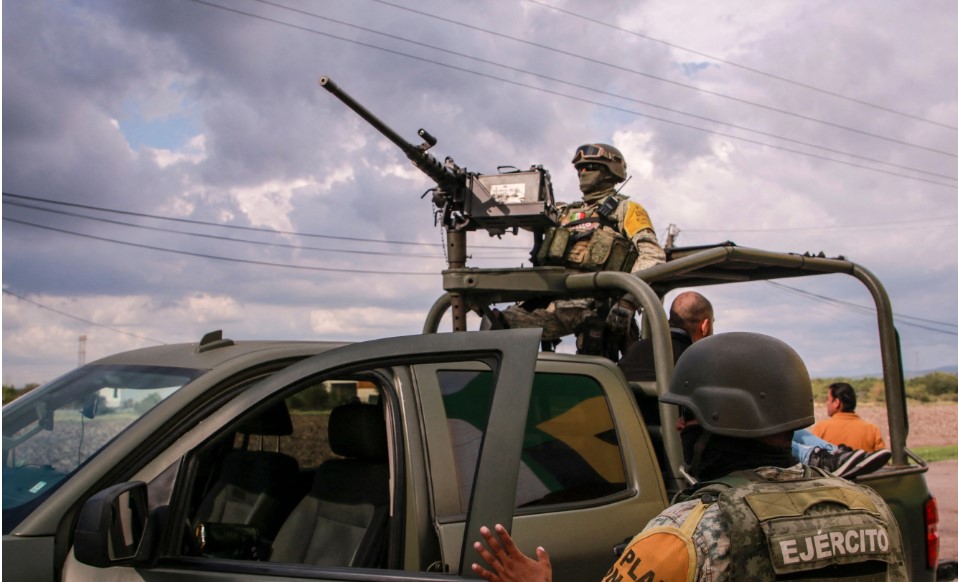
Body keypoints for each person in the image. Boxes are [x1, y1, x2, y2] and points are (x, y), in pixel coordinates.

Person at [472, 332, 906, 581]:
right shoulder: (871, 509)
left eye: (688, 415)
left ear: (723, 417)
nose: (679, 426)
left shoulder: (683, 534)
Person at [617, 291, 889, 479]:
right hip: (694, 448)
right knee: (763, 423)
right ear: (705, 325)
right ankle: (822, 456)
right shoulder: (696, 361)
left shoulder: (634, 353)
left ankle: (826, 453)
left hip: (644, 449)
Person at [493, 143, 666, 356]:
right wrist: (489, 201)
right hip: (552, 307)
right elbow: (519, 215)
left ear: (610, 171)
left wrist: (628, 302)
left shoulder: (626, 210)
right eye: (579, 169)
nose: (582, 173)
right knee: (494, 324)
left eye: (590, 166)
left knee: (595, 349)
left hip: (597, 307)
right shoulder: (564, 212)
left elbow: (653, 256)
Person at [811, 382, 887, 452]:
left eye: (828, 399)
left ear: (836, 402)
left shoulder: (821, 429)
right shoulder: (872, 430)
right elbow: (882, 459)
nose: (826, 403)